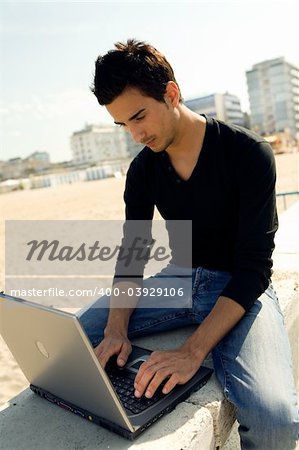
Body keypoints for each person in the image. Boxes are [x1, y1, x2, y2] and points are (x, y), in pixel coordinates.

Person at [79, 39, 299, 448]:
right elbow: (132, 255)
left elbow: (254, 268)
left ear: (172, 93)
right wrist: (115, 329)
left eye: (139, 117)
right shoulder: (143, 169)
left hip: (240, 287)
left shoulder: (249, 153)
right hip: (177, 281)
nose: (135, 134)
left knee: (276, 421)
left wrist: (193, 350)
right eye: (123, 124)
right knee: (74, 339)